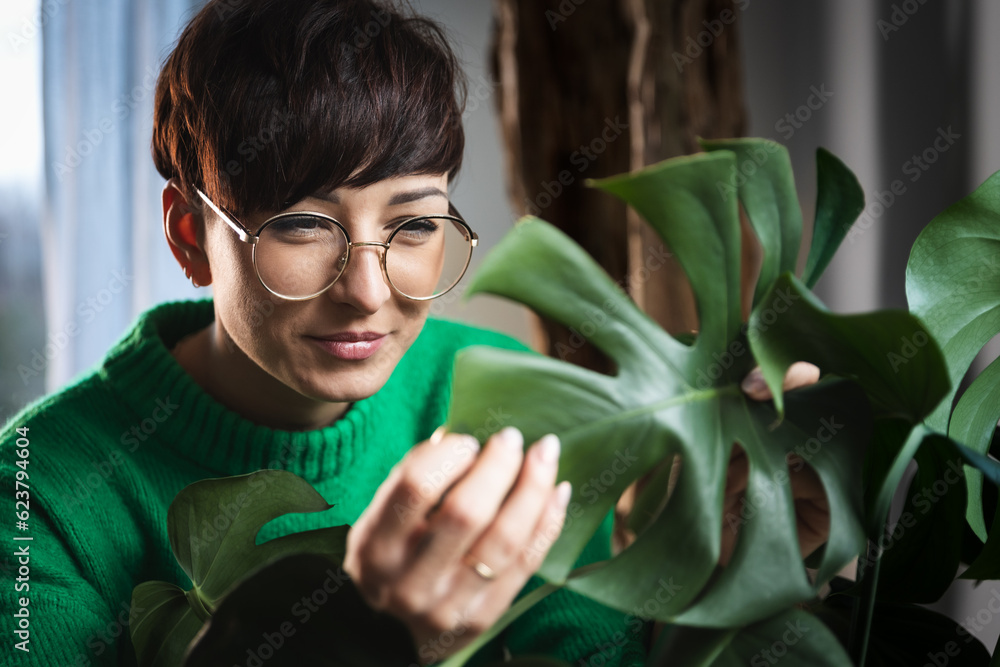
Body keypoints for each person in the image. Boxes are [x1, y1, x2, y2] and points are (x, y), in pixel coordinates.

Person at [0, 0, 825, 665]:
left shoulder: (503, 395)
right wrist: (372, 639)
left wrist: (716, 575)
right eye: (301, 227)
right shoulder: (39, 486)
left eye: (416, 227)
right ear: (189, 233)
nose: (367, 291)